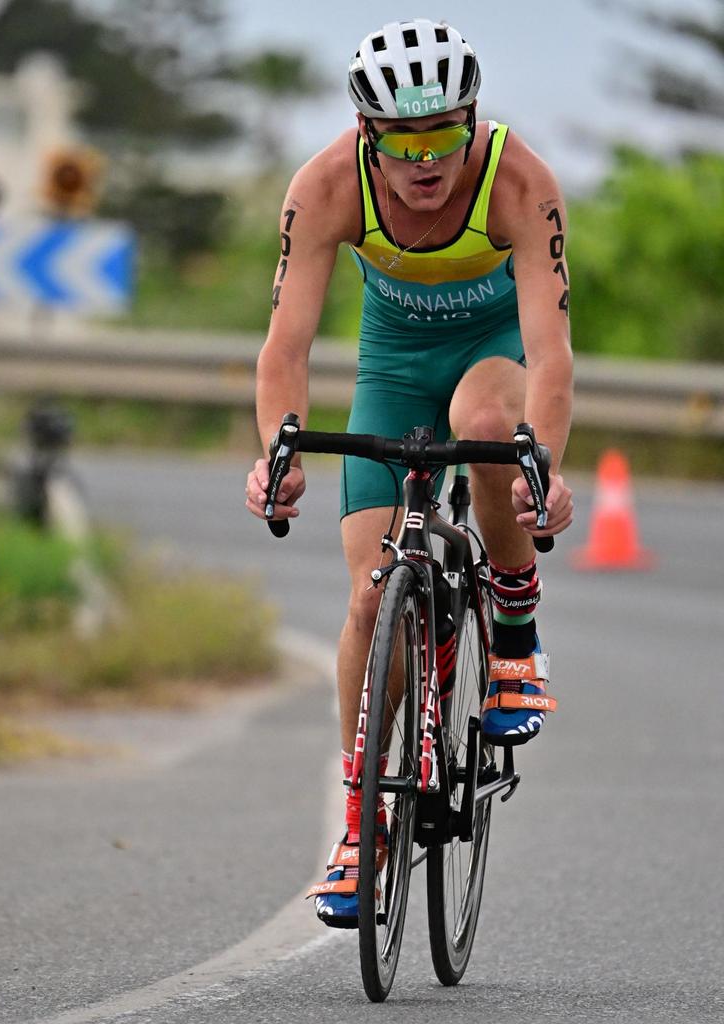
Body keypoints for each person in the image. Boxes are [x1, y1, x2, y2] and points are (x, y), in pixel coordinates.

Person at [245, 18, 574, 928]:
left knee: (485, 425)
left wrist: (541, 464)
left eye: (445, 136)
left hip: (491, 359)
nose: (427, 161)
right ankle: (362, 826)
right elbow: (285, 349)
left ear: (471, 122)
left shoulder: (518, 181)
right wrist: (278, 449)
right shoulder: (322, 187)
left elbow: (551, 356)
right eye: (404, 142)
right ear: (367, 138)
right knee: (366, 597)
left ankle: (512, 622)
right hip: (390, 371)